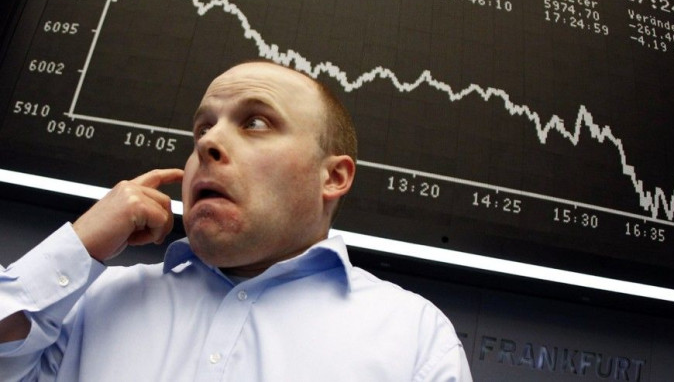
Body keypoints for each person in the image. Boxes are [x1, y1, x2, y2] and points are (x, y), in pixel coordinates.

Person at [0, 61, 472, 381]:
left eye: (256, 123)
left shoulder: (414, 336)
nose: (207, 144)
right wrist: (78, 247)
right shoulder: (94, 302)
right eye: (203, 128)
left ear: (333, 177)